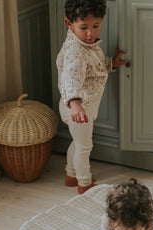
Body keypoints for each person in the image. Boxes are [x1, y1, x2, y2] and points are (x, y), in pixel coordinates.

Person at [58, 0, 126, 194]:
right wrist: (75, 103)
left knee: (77, 142)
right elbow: (70, 78)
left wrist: (112, 62)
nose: (91, 33)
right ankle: (84, 183)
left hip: (79, 107)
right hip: (78, 109)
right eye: (84, 27)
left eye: (96, 26)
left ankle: (71, 175)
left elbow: (93, 68)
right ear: (69, 24)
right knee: (84, 146)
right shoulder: (75, 52)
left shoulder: (85, 44)